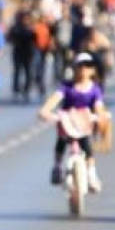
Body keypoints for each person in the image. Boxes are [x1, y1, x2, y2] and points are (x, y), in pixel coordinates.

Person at [37, 53, 107, 192]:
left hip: (84, 123)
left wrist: (100, 117)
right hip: (67, 122)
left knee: (87, 147)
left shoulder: (94, 89)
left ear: (92, 70)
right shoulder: (67, 87)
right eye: (80, 66)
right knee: (61, 141)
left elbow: (99, 107)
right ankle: (57, 166)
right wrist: (45, 111)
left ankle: (91, 174)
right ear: (74, 68)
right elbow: (54, 99)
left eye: (87, 66)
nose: (83, 70)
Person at [8, 3, 38, 102]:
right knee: (17, 71)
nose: (25, 20)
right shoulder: (16, 28)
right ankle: (16, 90)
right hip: (18, 52)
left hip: (29, 53)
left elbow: (37, 40)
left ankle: (26, 90)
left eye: (27, 18)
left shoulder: (32, 28)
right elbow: (9, 38)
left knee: (29, 72)